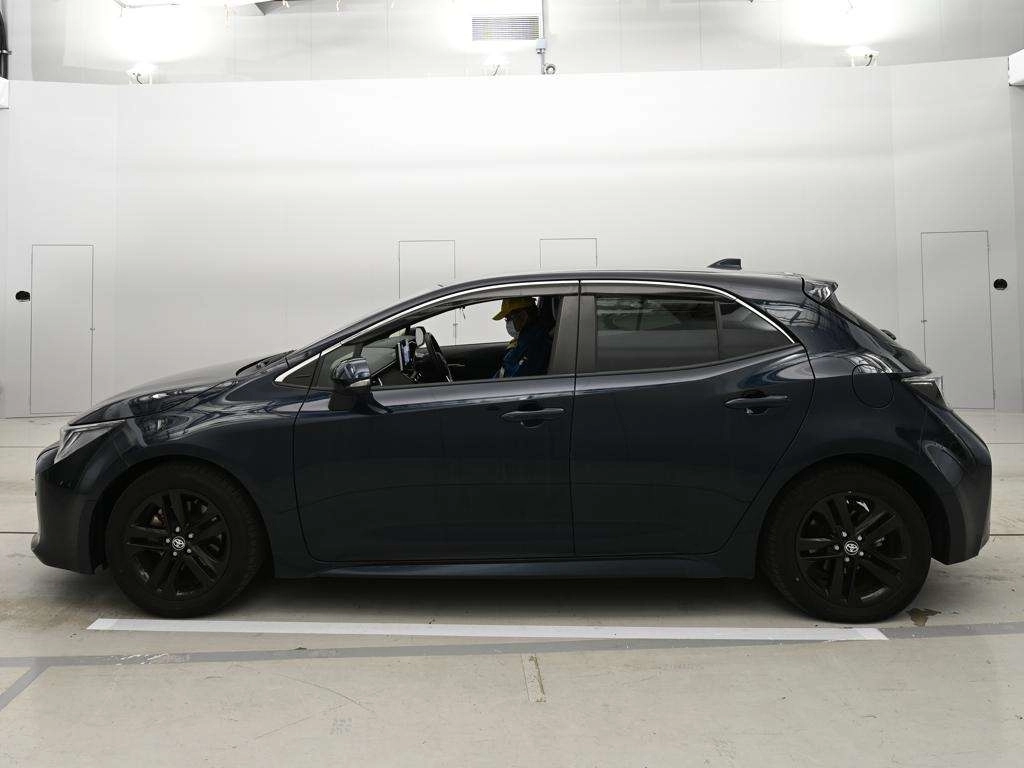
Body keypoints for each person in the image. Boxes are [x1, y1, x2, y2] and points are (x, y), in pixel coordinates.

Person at [492, 297, 552, 378]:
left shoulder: (535, 345)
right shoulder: (523, 339)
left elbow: (515, 380)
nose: (507, 323)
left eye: (508, 318)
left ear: (523, 316)